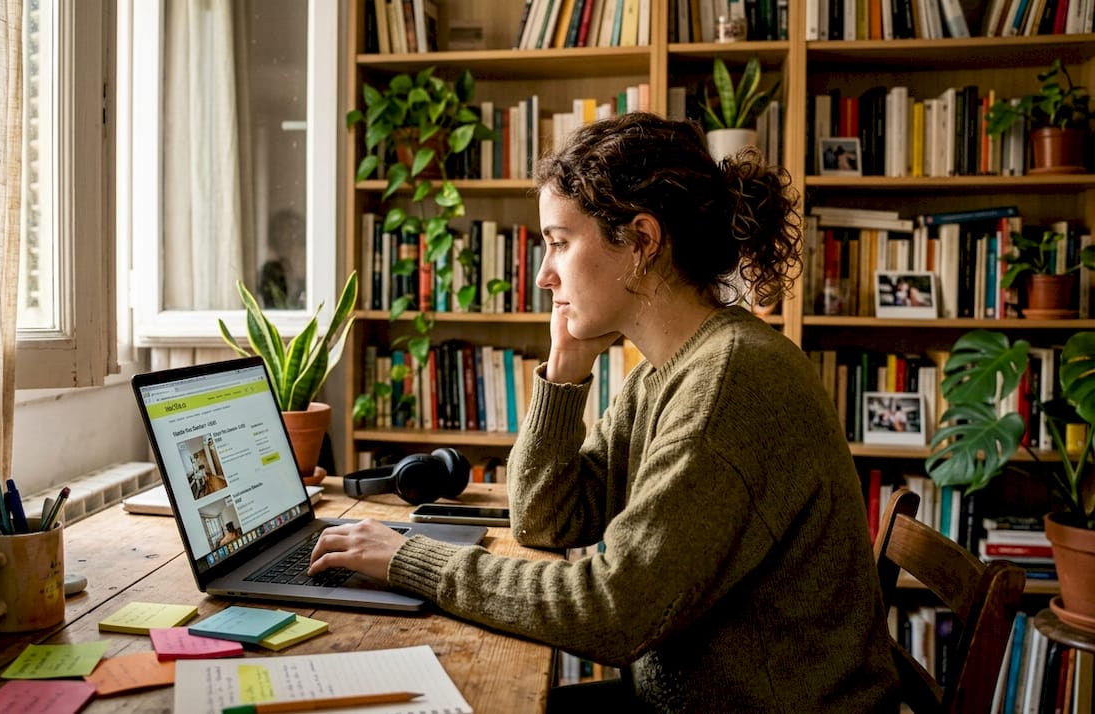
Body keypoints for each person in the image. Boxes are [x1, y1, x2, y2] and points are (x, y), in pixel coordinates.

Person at [310, 113, 900, 712]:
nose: (544, 276)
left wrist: (411, 559)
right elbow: (546, 519)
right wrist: (564, 369)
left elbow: (612, 611)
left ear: (641, 241)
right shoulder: (666, 373)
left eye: (560, 243)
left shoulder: (728, 384)